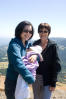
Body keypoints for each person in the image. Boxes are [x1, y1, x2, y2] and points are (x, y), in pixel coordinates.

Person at [4, 21, 37, 99]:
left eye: (30, 31)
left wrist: (35, 55)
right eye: (25, 30)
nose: (28, 33)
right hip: (13, 82)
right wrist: (30, 78)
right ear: (19, 30)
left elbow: (37, 51)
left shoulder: (27, 44)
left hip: (22, 80)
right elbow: (18, 64)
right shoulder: (14, 45)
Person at [33, 23, 61, 99]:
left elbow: (56, 65)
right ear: (38, 32)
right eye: (40, 31)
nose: (43, 33)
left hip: (48, 78)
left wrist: (53, 83)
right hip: (36, 78)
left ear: (49, 33)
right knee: (36, 97)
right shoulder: (35, 44)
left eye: (45, 31)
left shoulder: (53, 46)